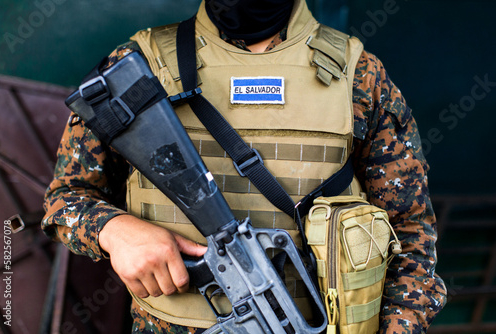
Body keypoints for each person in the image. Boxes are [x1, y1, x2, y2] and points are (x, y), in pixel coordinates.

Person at [42, 0, 447, 333]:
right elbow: (66, 198)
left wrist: (398, 327)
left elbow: (410, 233)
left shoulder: (359, 75)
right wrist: (115, 231)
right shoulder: (139, 66)